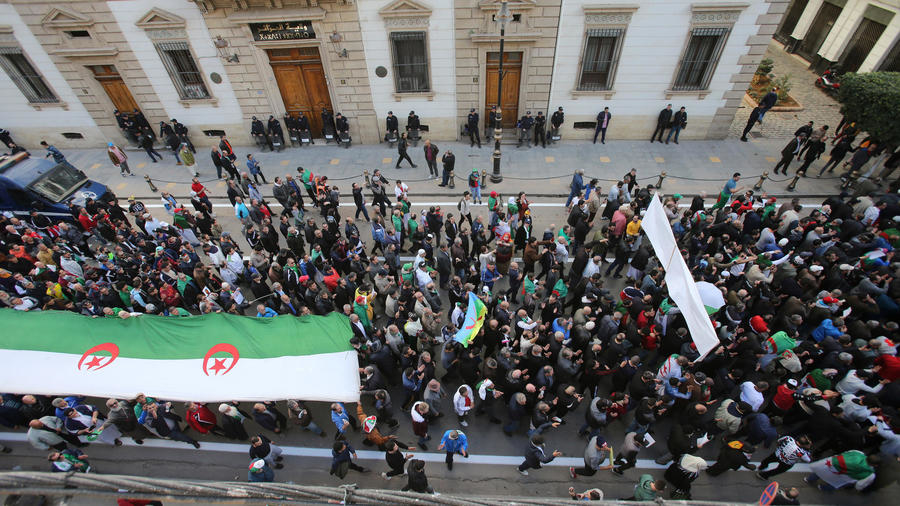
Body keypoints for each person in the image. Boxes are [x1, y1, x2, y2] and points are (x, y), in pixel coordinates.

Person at [805, 450, 878, 492]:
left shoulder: (859, 453)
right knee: (834, 483)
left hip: (832, 465)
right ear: (875, 465)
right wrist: (858, 489)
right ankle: (822, 488)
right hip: (844, 477)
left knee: (821, 471)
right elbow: (859, 485)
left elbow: (846, 453)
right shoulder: (870, 474)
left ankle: (809, 479)